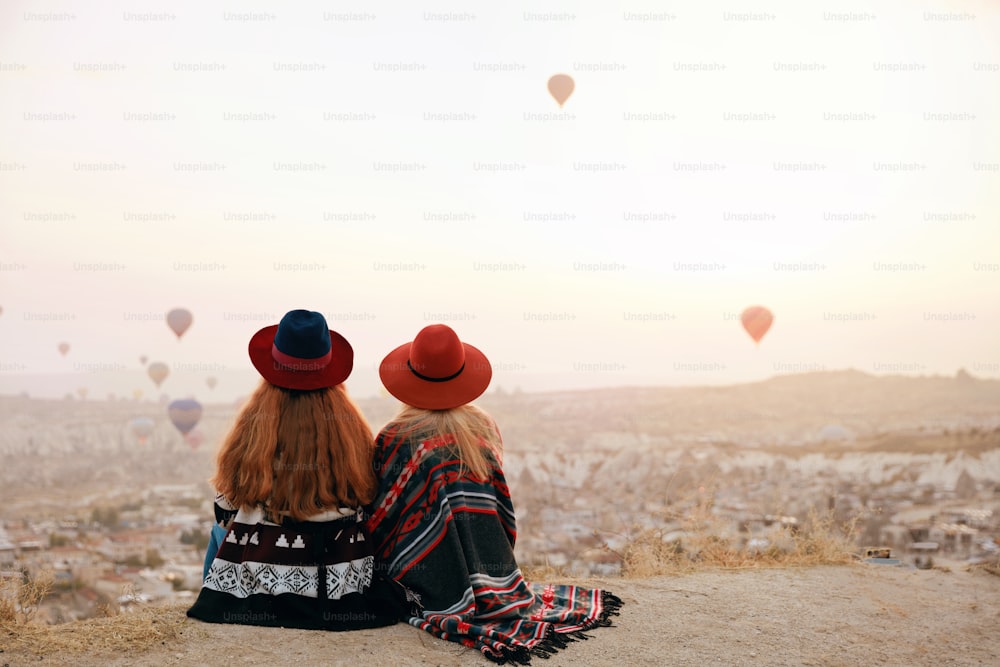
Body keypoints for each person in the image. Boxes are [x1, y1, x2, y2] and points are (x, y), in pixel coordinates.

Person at [366, 324, 622, 663]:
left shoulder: (396, 436)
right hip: (495, 572)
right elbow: (497, 506)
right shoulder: (483, 427)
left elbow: (381, 515)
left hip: (420, 577)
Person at [187, 309, 406, 630]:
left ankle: (216, 590)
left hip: (261, 581)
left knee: (222, 528)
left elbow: (225, 509)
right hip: (340, 583)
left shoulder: (253, 430)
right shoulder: (351, 431)